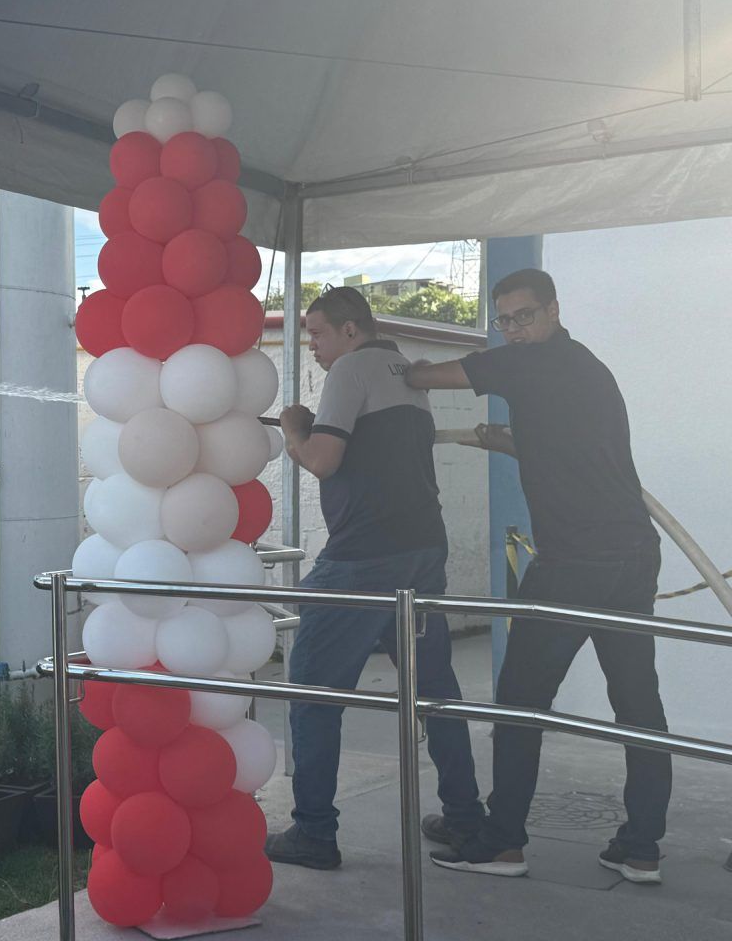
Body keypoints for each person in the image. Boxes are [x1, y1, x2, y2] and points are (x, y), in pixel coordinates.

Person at [405, 267, 669, 883]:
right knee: (638, 702)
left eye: (524, 316)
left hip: (575, 562)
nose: (514, 330)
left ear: (552, 310)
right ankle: (642, 847)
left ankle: (501, 844)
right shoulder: (588, 367)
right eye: (505, 321)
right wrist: (508, 442)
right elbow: (572, 447)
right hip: (633, 553)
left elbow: (426, 377)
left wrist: (392, 364)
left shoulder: (520, 364)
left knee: (520, 702)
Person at [264, 285, 483, 870]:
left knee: (309, 689)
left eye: (317, 334)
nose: (312, 345)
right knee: (434, 689)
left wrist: (292, 429)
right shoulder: (403, 369)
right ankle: (466, 817)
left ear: (351, 330)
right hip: (421, 549)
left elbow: (323, 460)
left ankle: (313, 832)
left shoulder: (352, 368)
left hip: (365, 555)